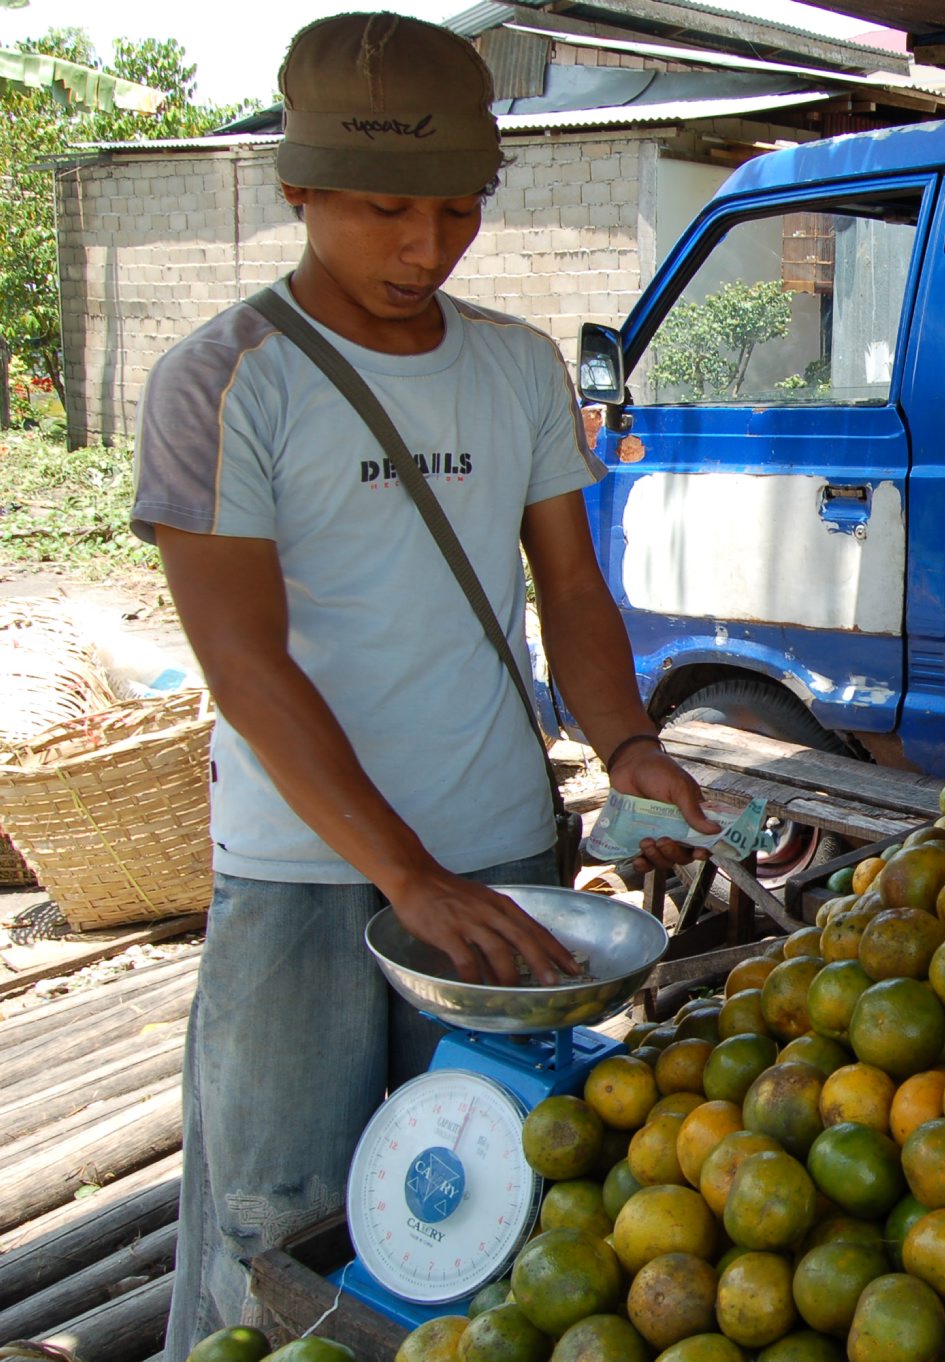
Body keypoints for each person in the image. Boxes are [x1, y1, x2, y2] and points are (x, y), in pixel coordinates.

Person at [131, 15, 715, 1352]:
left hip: (498, 850)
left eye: (458, 209)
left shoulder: (514, 366)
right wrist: (406, 873)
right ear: (300, 191)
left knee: (485, 1209)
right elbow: (244, 661)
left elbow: (570, 591)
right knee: (281, 1224)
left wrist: (626, 744)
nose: (427, 245)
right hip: (303, 875)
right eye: (387, 207)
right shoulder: (221, 383)